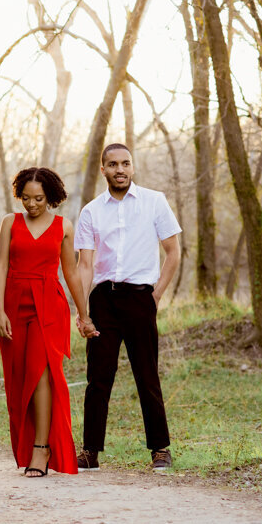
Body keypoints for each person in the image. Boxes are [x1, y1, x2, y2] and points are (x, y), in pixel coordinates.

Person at [74, 144, 181, 471]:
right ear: (103, 169)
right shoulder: (91, 211)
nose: (119, 169)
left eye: (125, 163)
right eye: (112, 164)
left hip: (140, 298)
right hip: (104, 299)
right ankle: (90, 451)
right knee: (98, 378)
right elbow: (84, 265)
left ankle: (160, 450)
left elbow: (173, 252)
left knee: (147, 375)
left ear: (132, 167)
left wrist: (156, 295)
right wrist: (82, 312)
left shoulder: (154, 202)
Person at [0, 167, 90, 477]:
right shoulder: (10, 222)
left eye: (38, 198)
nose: (32, 205)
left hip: (49, 304)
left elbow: (71, 272)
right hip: (14, 303)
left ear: (51, 196)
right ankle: (30, 444)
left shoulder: (64, 226)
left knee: (43, 374)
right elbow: (0, 267)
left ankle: (41, 449)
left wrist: (83, 313)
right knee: (20, 377)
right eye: (25, 198)